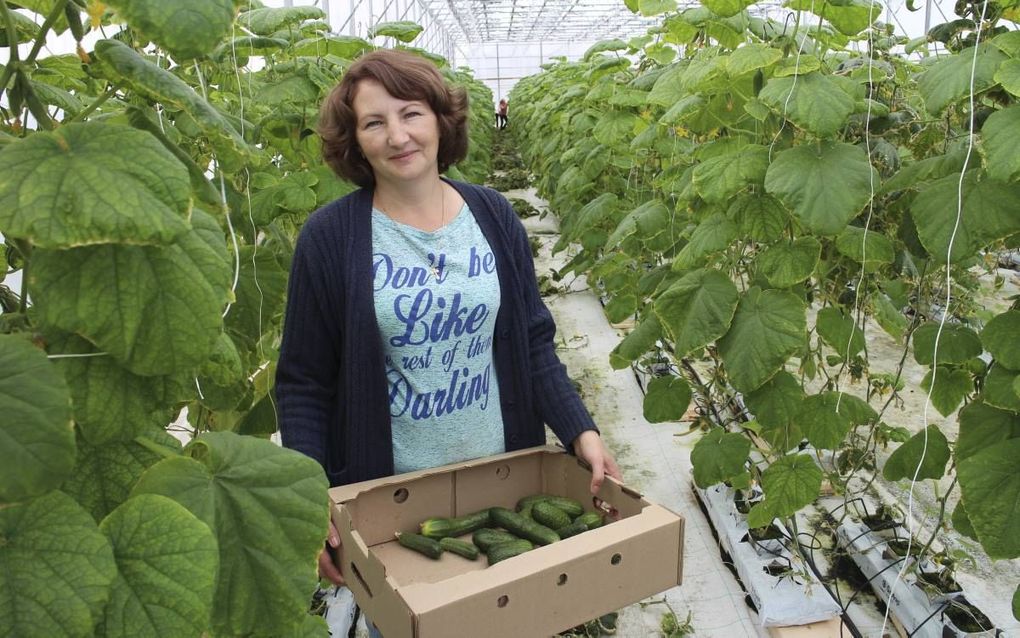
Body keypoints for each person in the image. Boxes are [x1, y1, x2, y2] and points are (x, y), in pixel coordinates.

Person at [275, 48, 621, 629]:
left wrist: (579, 428)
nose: (397, 136)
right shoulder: (330, 238)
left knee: (515, 620)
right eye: (373, 122)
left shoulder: (492, 215)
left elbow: (533, 341)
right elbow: (303, 383)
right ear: (355, 141)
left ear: (440, 118)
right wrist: (307, 498)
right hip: (392, 506)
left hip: (502, 487)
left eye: (411, 113)